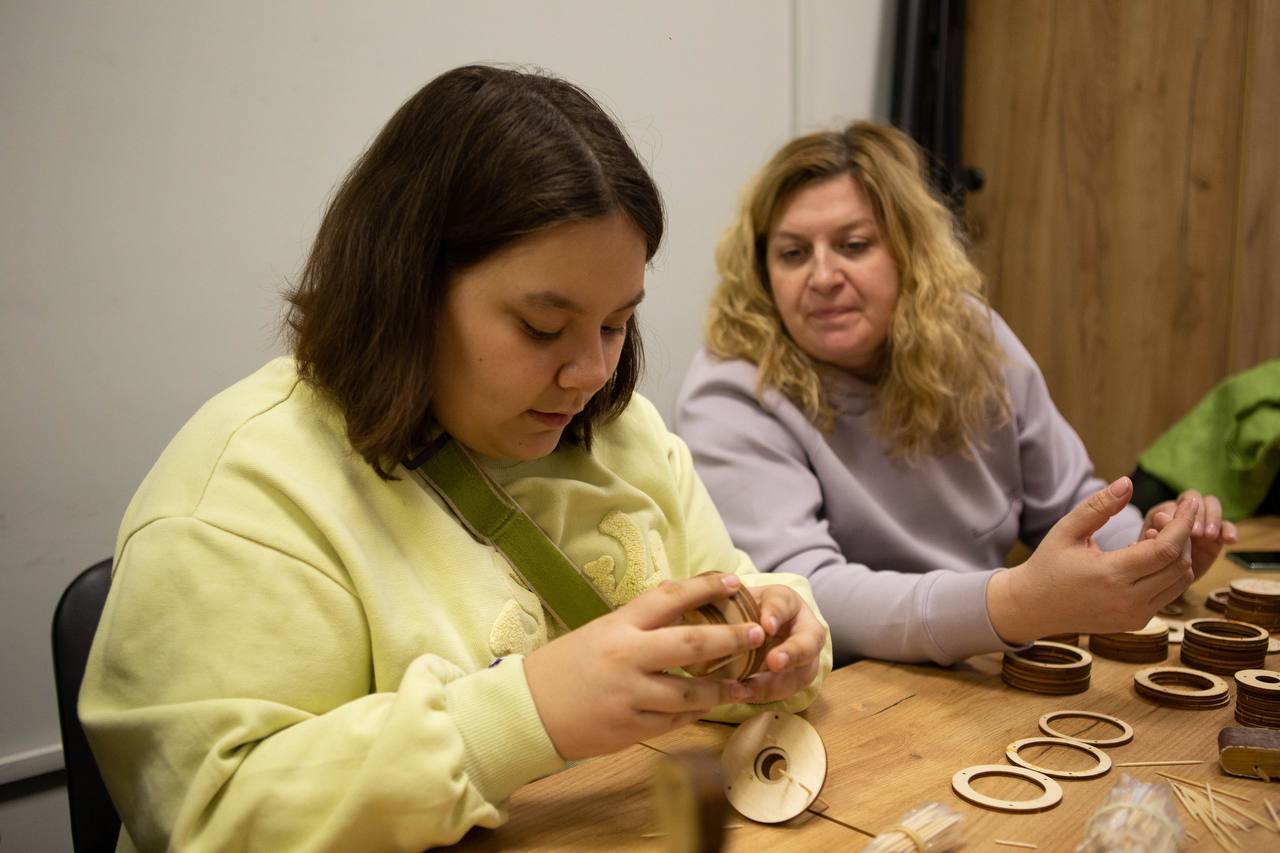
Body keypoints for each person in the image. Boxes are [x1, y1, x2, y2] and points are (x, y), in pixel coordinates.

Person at [80, 65, 830, 852]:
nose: (591, 373)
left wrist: (775, 639)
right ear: (405, 288)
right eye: (543, 328)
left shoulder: (623, 433)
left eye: (616, 324)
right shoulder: (246, 491)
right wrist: (526, 715)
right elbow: (210, 814)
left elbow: (733, 595)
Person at [674, 120, 1227, 668]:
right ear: (762, 272)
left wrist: (1150, 551)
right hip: (854, 685)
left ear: (908, 251)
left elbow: (1069, 502)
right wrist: (1012, 603)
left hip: (992, 658)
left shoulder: (971, 333)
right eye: (793, 253)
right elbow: (803, 591)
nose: (822, 276)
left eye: (853, 245)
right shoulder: (732, 388)